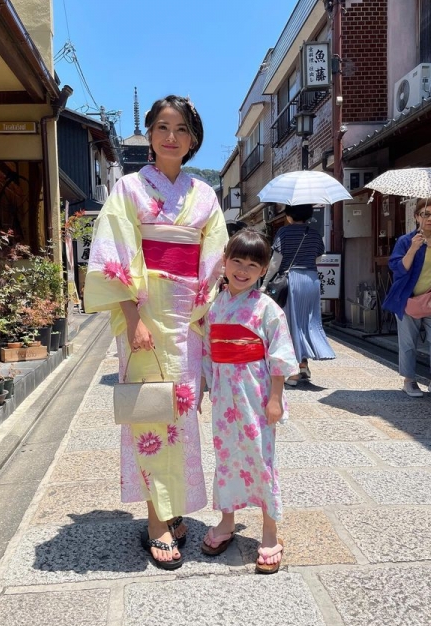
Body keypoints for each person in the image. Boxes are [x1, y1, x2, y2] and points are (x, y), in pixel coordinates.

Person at [84, 95, 228, 570]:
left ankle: (171, 507)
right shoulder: (128, 189)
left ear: (193, 139)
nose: (172, 136)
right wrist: (132, 317)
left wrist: (207, 313)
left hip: (188, 318)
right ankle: (156, 522)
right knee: (150, 414)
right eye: (163, 127)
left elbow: (215, 259)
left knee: (183, 414)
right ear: (149, 133)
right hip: (144, 314)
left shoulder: (204, 195)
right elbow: (115, 254)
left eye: (181, 129)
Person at [201, 229, 298, 573]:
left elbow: (281, 356)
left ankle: (270, 531)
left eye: (252, 265)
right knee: (226, 458)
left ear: (263, 270)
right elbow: (209, 352)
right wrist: (202, 387)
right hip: (225, 397)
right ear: (224, 261)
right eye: (236, 261)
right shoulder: (215, 306)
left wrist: (276, 398)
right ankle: (227, 520)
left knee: (261, 459)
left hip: (255, 396)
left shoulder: (266, 308)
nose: (242, 270)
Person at [261, 203, 335, 385]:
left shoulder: (284, 233)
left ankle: (293, 373)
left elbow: (275, 262)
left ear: (289, 216)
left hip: (291, 279)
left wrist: (264, 283)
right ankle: (303, 364)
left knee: (289, 324)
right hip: (311, 280)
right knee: (307, 322)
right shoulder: (315, 234)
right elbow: (319, 258)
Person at [382, 198, 431, 397]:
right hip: (407, 299)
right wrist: (412, 249)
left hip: (429, 298)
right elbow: (398, 269)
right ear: (416, 216)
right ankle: (409, 381)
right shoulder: (406, 241)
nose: (429, 219)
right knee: (408, 343)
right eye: (425, 214)